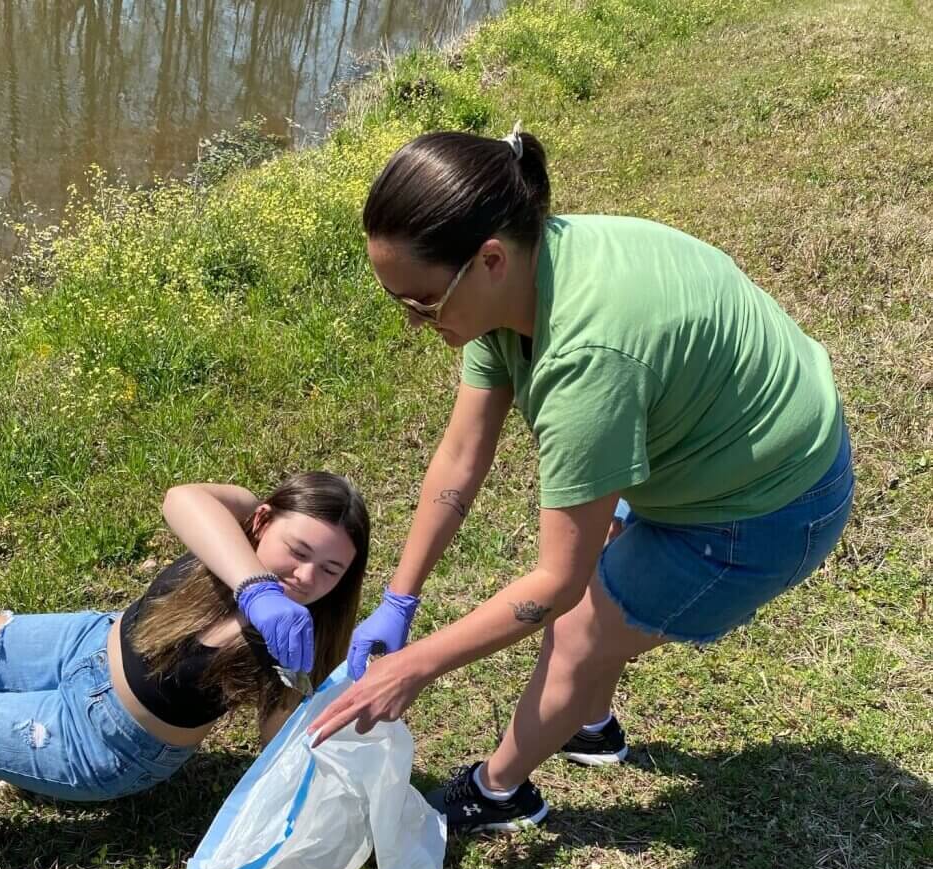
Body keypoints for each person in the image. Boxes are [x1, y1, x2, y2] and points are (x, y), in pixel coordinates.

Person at [308, 125, 854, 833]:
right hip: (700, 447)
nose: (413, 323)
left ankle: (499, 790)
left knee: (574, 629)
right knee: (596, 599)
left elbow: (555, 584)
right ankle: (586, 720)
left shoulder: (584, 363)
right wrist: (400, 597)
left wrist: (415, 665)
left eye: (420, 304)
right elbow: (463, 453)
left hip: (771, 502)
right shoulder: (517, 279)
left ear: (489, 259)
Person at [0, 472, 369, 864]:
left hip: (110, 743)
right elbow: (181, 498)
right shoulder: (239, 519)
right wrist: (254, 587)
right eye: (299, 551)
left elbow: (278, 747)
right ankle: (5, 754)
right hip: (87, 643)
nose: (306, 578)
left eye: (330, 571)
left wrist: (308, 700)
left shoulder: (295, 640)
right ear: (262, 520)